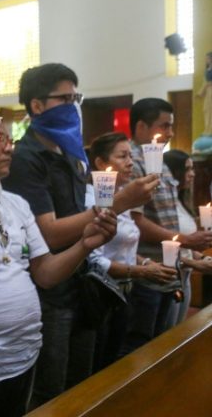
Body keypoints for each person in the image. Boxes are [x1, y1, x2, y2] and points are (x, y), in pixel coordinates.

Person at [2, 63, 158, 407]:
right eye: (65, 98)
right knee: (51, 392)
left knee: (83, 384)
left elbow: (84, 218)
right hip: (49, 288)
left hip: (81, 281)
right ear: (37, 105)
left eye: (77, 97)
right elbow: (49, 235)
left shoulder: (72, 155)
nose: (74, 106)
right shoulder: (26, 158)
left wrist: (106, 222)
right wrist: (116, 205)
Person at [0, 113, 117, 417]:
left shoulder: (16, 204)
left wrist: (83, 246)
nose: (9, 148)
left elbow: (45, 273)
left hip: (23, 356)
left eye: (10, 139)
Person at [123, 98, 212, 356]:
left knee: (163, 344)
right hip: (148, 268)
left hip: (169, 268)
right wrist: (185, 240)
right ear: (141, 126)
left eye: (171, 126)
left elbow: (166, 214)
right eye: (165, 126)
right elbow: (136, 221)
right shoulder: (133, 162)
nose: (171, 133)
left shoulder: (158, 161)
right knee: (140, 349)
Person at [87, 133, 177, 370]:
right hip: (101, 295)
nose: (130, 162)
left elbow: (125, 248)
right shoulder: (91, 200)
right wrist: (141, 272)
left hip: (126, 291)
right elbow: (96, 261)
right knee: (101, 364)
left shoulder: (123, 198)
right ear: (100, 164)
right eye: (122, 156)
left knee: (122, 361)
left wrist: (146, 263)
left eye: (130, 155)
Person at [163, 149, 198, 326]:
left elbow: (186, 244)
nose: (192, 174)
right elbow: (169, 246)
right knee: (167, 334)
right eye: (187, 169)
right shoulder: (165, 204)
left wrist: (201, 257)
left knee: (180, 329)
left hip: (185, 276)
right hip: (172, 277)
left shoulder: (180, 200)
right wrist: (195, 262)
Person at [196, 51, 212, 135]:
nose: (206, 60)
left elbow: (207, 83)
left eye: (208, 58)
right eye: (206, 58)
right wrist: (200, 93)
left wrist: (209, 84)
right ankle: (208, 129)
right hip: (208, 92)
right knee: (206, 110)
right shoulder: (206, 71)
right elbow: (204, 83)